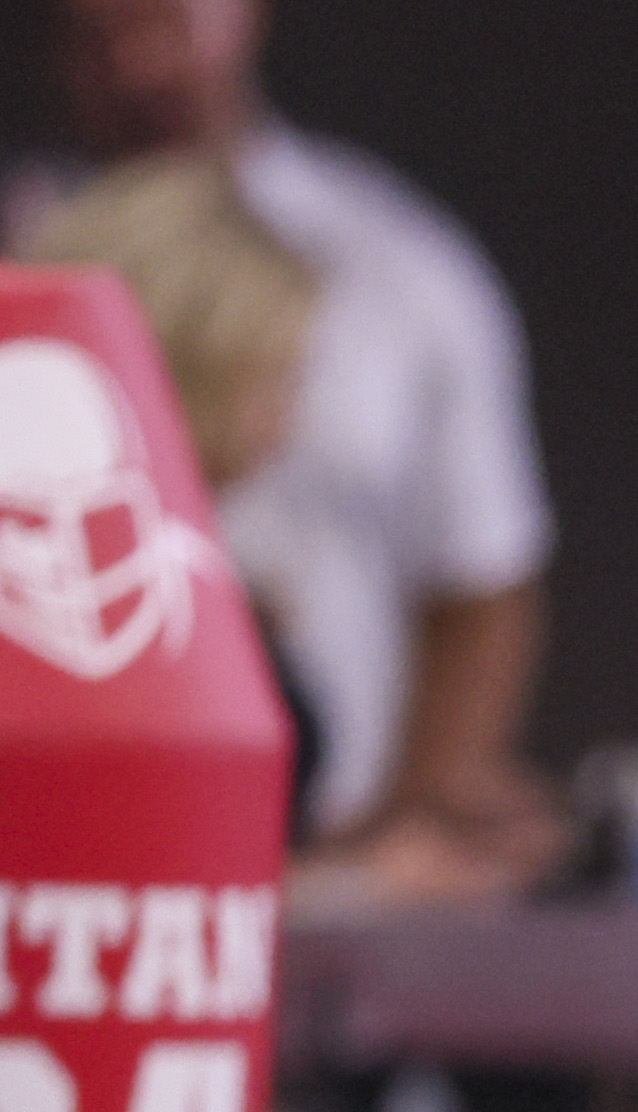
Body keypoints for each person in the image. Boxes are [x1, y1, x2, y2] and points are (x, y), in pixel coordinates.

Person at [27, 0, 552, 880]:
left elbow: (484, 579)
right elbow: (137, 885)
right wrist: (375, 881)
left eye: (163, 25)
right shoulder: (100, 617)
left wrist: (396, 835)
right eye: (98, 37)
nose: (137, 68)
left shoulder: (398, 268)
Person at [10, 150, 324, 825]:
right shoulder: (64, 605)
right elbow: (99, 852)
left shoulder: (201, 580)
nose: (294, 418)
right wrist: (368, 882)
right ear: (207, 363)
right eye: (283, 374)